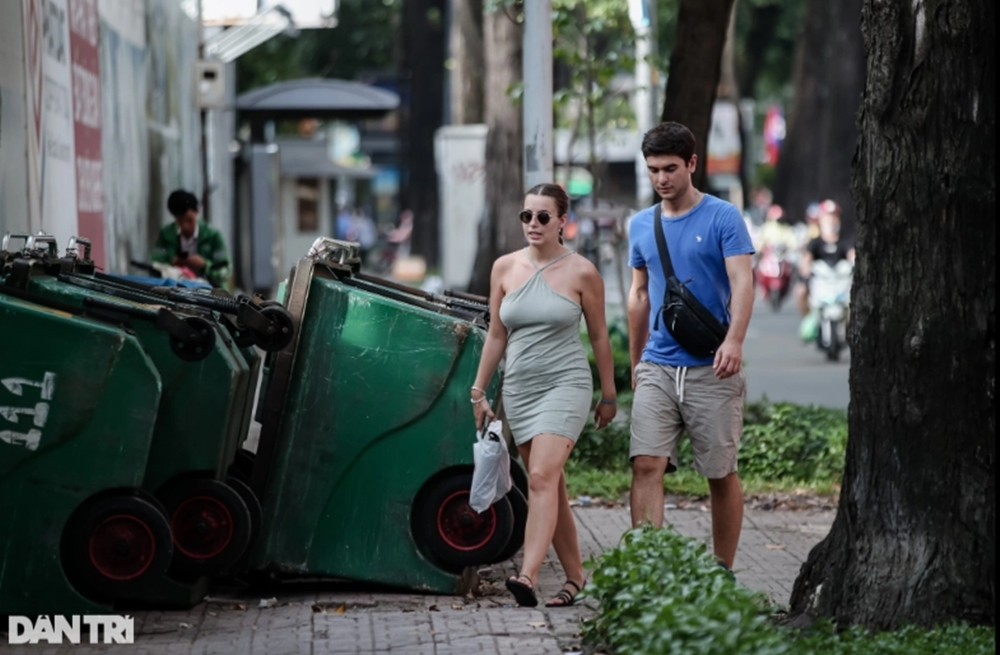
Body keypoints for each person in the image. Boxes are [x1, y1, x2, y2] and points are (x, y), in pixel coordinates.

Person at [470, 182, 618, 608]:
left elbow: (600, 337)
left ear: (562, 222)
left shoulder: (582, 272)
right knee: (550, 485)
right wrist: (479, 390)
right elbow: (497, 334)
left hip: (565, 384)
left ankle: (528, 576)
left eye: (543, 217)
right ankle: (574, 578)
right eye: (526, 216)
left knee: (539, 478)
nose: (533, 224)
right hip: (520, 388)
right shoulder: (504, 268)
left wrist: (609, 396)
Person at [626, 122, 755, 571]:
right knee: (646, 465)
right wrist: (636, 360)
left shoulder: (723, 217)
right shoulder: (641, 225)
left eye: (670, 168)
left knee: (719, 475)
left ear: (692, 164)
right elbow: (639, 295)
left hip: (712, 367)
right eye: (653, 170)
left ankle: (721, 571)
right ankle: (648, 569)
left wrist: (734, 341)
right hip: (658, 366)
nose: (661, 179)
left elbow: (743, 281)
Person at [151, 189, 231, 288]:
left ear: (197, 211)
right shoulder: (166, 235)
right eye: (180, 221)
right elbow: (154, 263)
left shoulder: (214, 236)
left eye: (189, 220)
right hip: (175, 290)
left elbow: (226, 271)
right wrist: (172, 263)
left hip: (211, 293)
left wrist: (205, 265)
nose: (185, 226)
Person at [794, 199, 855, 319]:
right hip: (821, 284)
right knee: (800, 291)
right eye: (827, 217)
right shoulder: (815, 242)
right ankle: (808, 319)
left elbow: (851, 254)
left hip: (840, 284)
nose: (831, 221)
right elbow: (807, 258)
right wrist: (805, 270)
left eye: (834, 217)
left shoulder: (845, 241)